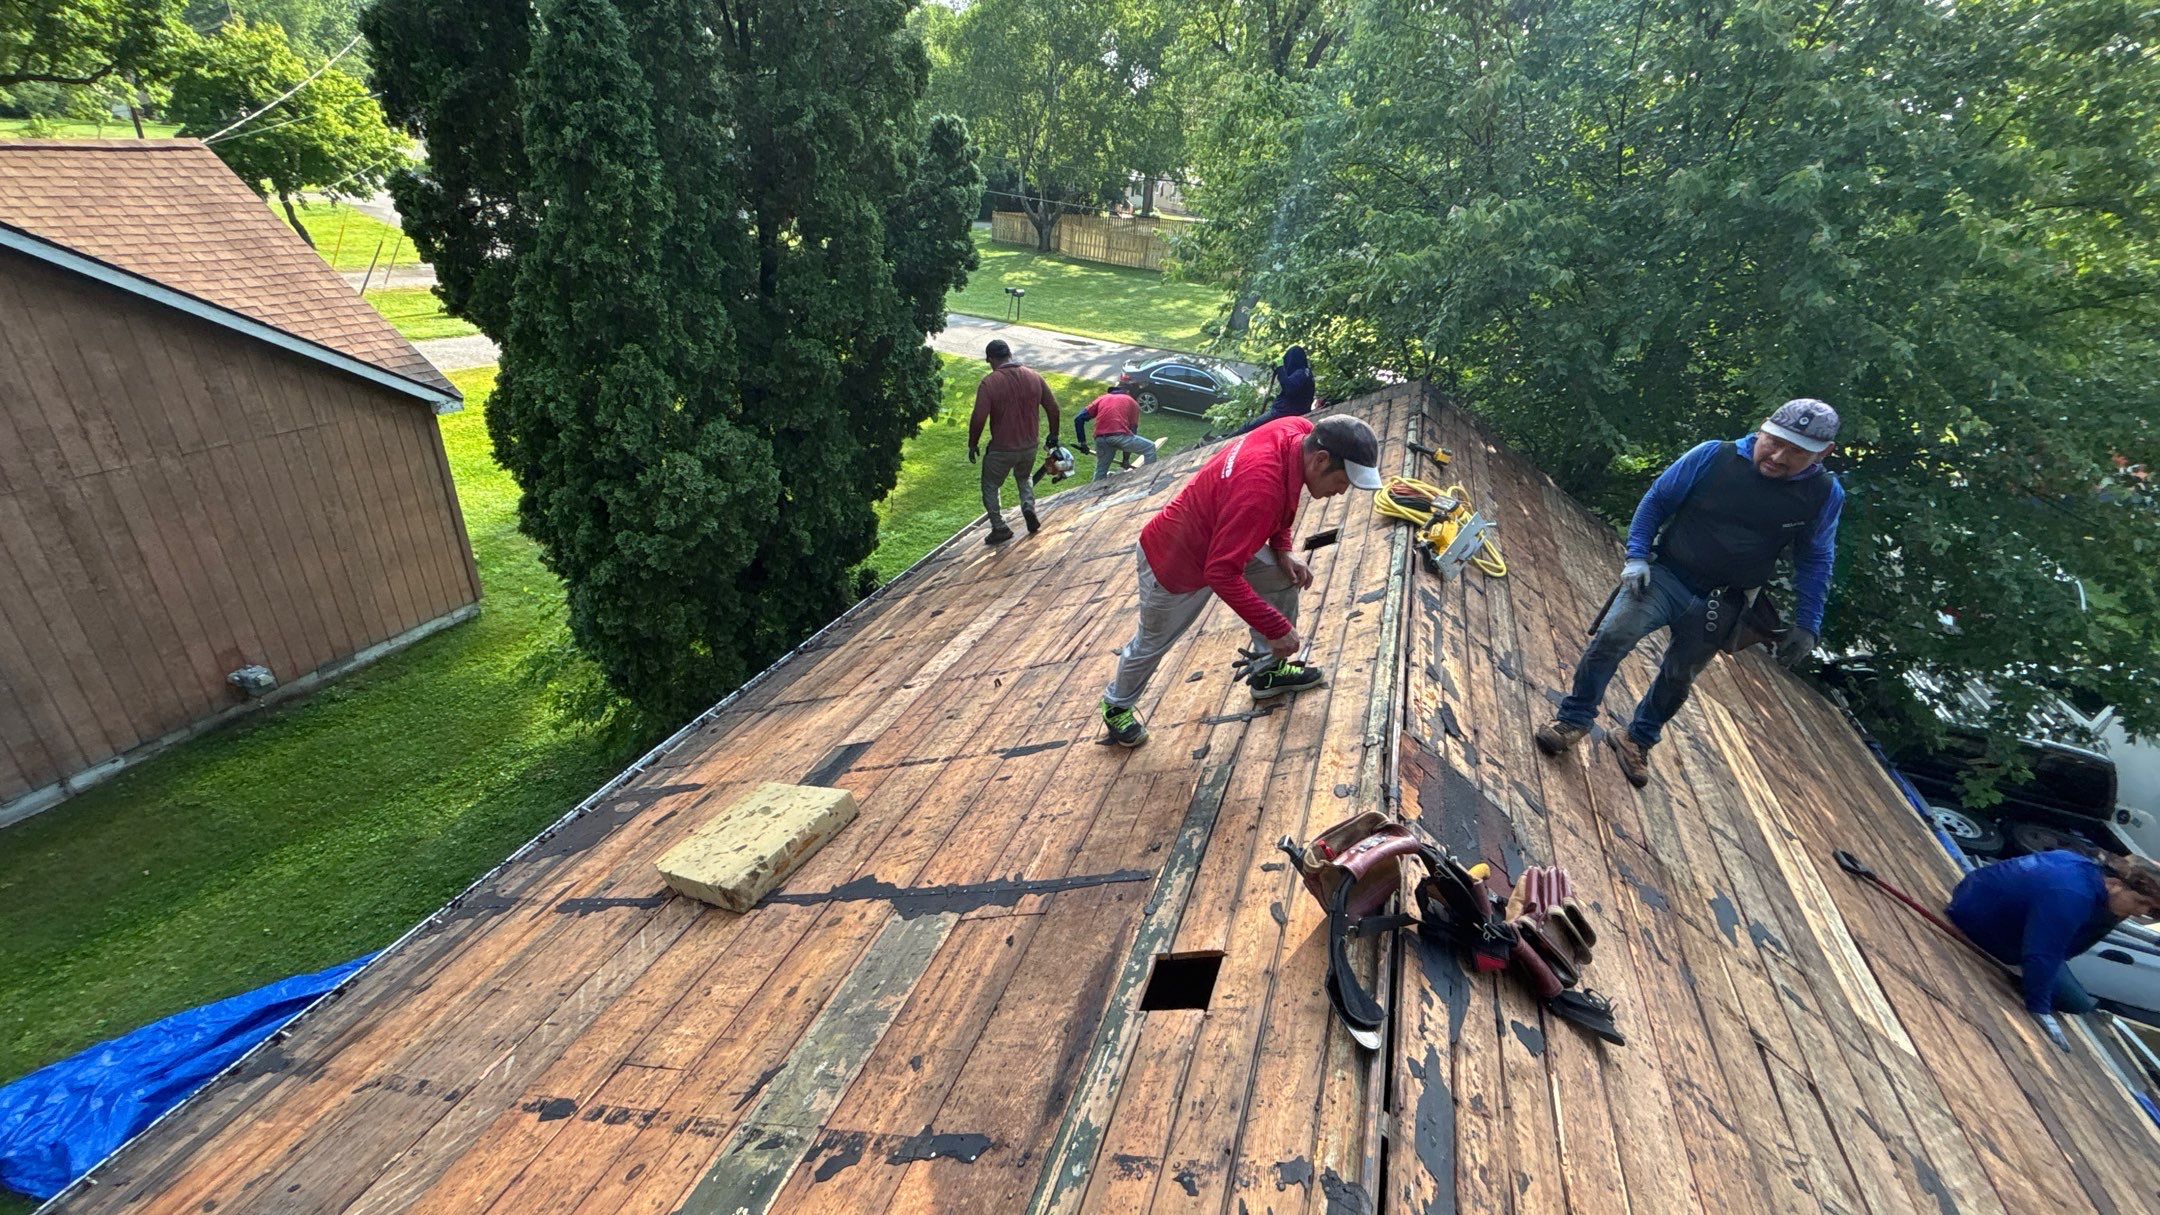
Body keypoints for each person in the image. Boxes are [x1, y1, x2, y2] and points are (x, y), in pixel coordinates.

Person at [1533, 398, 1845, 787]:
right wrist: (1636, 556)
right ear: (1763, 427)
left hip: (1725, 599)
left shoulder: (1823, 495)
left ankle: (1636, 739)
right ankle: (1573, 720)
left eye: (1797, 452)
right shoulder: (1714, 457)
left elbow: (1816, 558)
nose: (1778, 456)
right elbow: (1657, 501)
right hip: (1666, 575)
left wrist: (1808, 623)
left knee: (1680, 676)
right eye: (1774, 441)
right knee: (1614, 636)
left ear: (1823, 454)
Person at [1099, 414, 1385, 747]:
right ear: (1321, 460)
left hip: (1227, 535)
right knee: (1151, 642)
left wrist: (1283, 548)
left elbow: (1282, 497)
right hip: (1173, 559)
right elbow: (1220, 573)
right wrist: (1278, 629)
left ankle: (1267, 671)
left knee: (1283, 577)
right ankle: (1116, 705)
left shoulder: (1298, 431)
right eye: (1343, 481)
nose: (1342, 491)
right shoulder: (1260, 489)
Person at [1947, 849, 2160, 1051]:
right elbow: (2045, 954)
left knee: (2051, 957)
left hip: (1969, 896)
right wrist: (2040, 1011)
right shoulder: (2073, 896)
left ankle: (2032, 974)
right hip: (1976, 922)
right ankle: (2026, 978)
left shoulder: (2077, 862)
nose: (2140, 913)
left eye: (2149, 910)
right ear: (2115, 884)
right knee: (2077, 1002)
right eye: (2140, 902)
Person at [968, 339, 1060, 544]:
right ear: (1010, 354)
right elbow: (1053, 408)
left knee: (990, 484)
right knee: (1024, 476)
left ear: (991, 359)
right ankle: (1028, 506)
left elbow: (979, 418)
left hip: (1002, 448)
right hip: (1029, 445)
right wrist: (1053, 434)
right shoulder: (1034, 376)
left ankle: (999, 527)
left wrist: (973, 443)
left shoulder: (990, 382)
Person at [1229, 346, 1316, 437]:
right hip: (1290, 410)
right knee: (1251, 427)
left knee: (1248, 427)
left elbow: (1289, 388)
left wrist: (1280, 368)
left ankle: (1227, 439)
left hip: (1283, 412)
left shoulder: (1301, 373)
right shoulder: (1306, 372)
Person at [1073, 389, 1158, 481]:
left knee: (1101, 471)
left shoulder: (1102, 399)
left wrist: (1083, 443)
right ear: (1127, 392)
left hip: (1100, 439)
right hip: (1119, 437)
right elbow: (1132, 432)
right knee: (1150, 448)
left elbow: (1079, 419)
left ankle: (1094, 493)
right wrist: (1125, 460)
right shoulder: (1132, 402)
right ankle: (1149, 480)